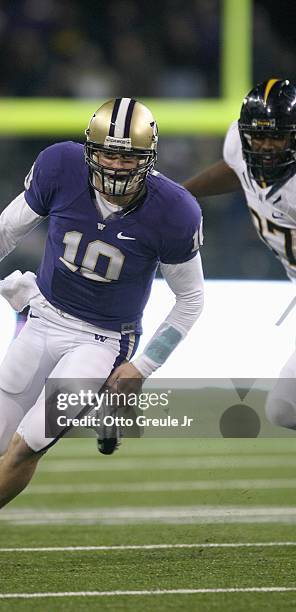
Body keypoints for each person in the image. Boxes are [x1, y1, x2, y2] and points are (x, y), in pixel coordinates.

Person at [0, 97, 204, 577]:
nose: (115, 163)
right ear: (89, 149)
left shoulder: (173, 211)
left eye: (128, 155)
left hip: (105, 339)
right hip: (45, 316)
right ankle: (105, 409)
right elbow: (4, 231)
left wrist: (141, 367)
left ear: (148, 158)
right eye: (107, 152)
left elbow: (190, 302)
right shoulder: (60, 166)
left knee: (30, 442)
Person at [183, 77, 296, 430]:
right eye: (258, 135)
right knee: (284, 409)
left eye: (276, 136)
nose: (265, 145)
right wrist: (181, 194)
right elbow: (237, 170)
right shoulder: (239, 142)